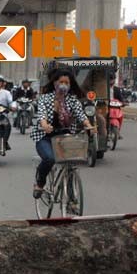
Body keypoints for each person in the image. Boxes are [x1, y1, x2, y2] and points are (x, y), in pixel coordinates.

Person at [30, 68, 93, 199]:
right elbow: (41, 114)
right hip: (45, 137)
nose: (64, 85)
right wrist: (45, 125)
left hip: (65, 137)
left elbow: (81, 115)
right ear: (55, 83)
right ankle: (40, 183)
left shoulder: (72, 100)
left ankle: (70, 196)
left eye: (67, 82)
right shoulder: (45, 99)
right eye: (61, 82)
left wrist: (89, 125)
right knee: (49, 159)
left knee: (72, 162)